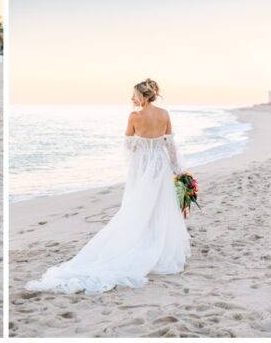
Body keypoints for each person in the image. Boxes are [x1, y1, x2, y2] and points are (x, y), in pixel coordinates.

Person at [25, 78, 190, 294]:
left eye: (134, 95)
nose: (132, 99)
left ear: (141, 96)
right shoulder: (165, 114)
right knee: (159, 204)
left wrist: (141, 146)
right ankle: (157, 246)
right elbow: (171, 145)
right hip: (160, 164)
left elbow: (129, 146)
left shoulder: (134, 116)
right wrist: (178, 170)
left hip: (142, 166)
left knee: (138, 205)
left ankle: (142, 242)